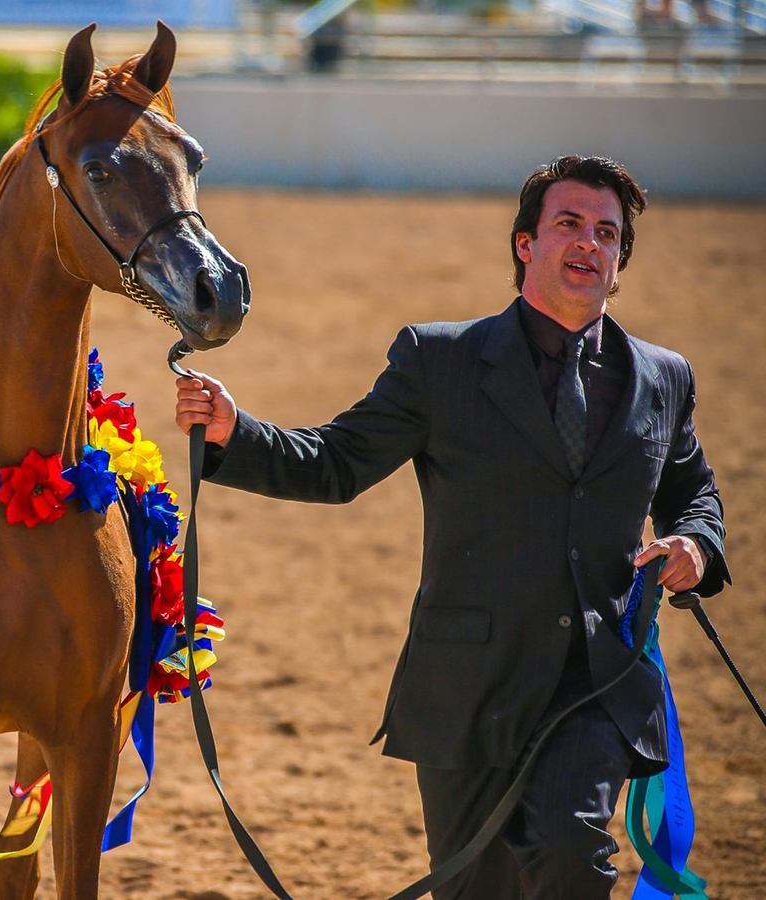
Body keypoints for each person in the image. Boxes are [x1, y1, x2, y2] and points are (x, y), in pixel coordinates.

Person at [175, 155, 729, 899]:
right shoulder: (440, 360)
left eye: (608, 233)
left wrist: (696, 542)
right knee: (473, 889)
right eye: (569, 224)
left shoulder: (664, 378)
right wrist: (233, 434)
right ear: (525, 245)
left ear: (621, 261)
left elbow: (695, 490)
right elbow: (336, 464)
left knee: (573, 852)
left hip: (593, 681)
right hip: (466, 686)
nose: (590, 243)